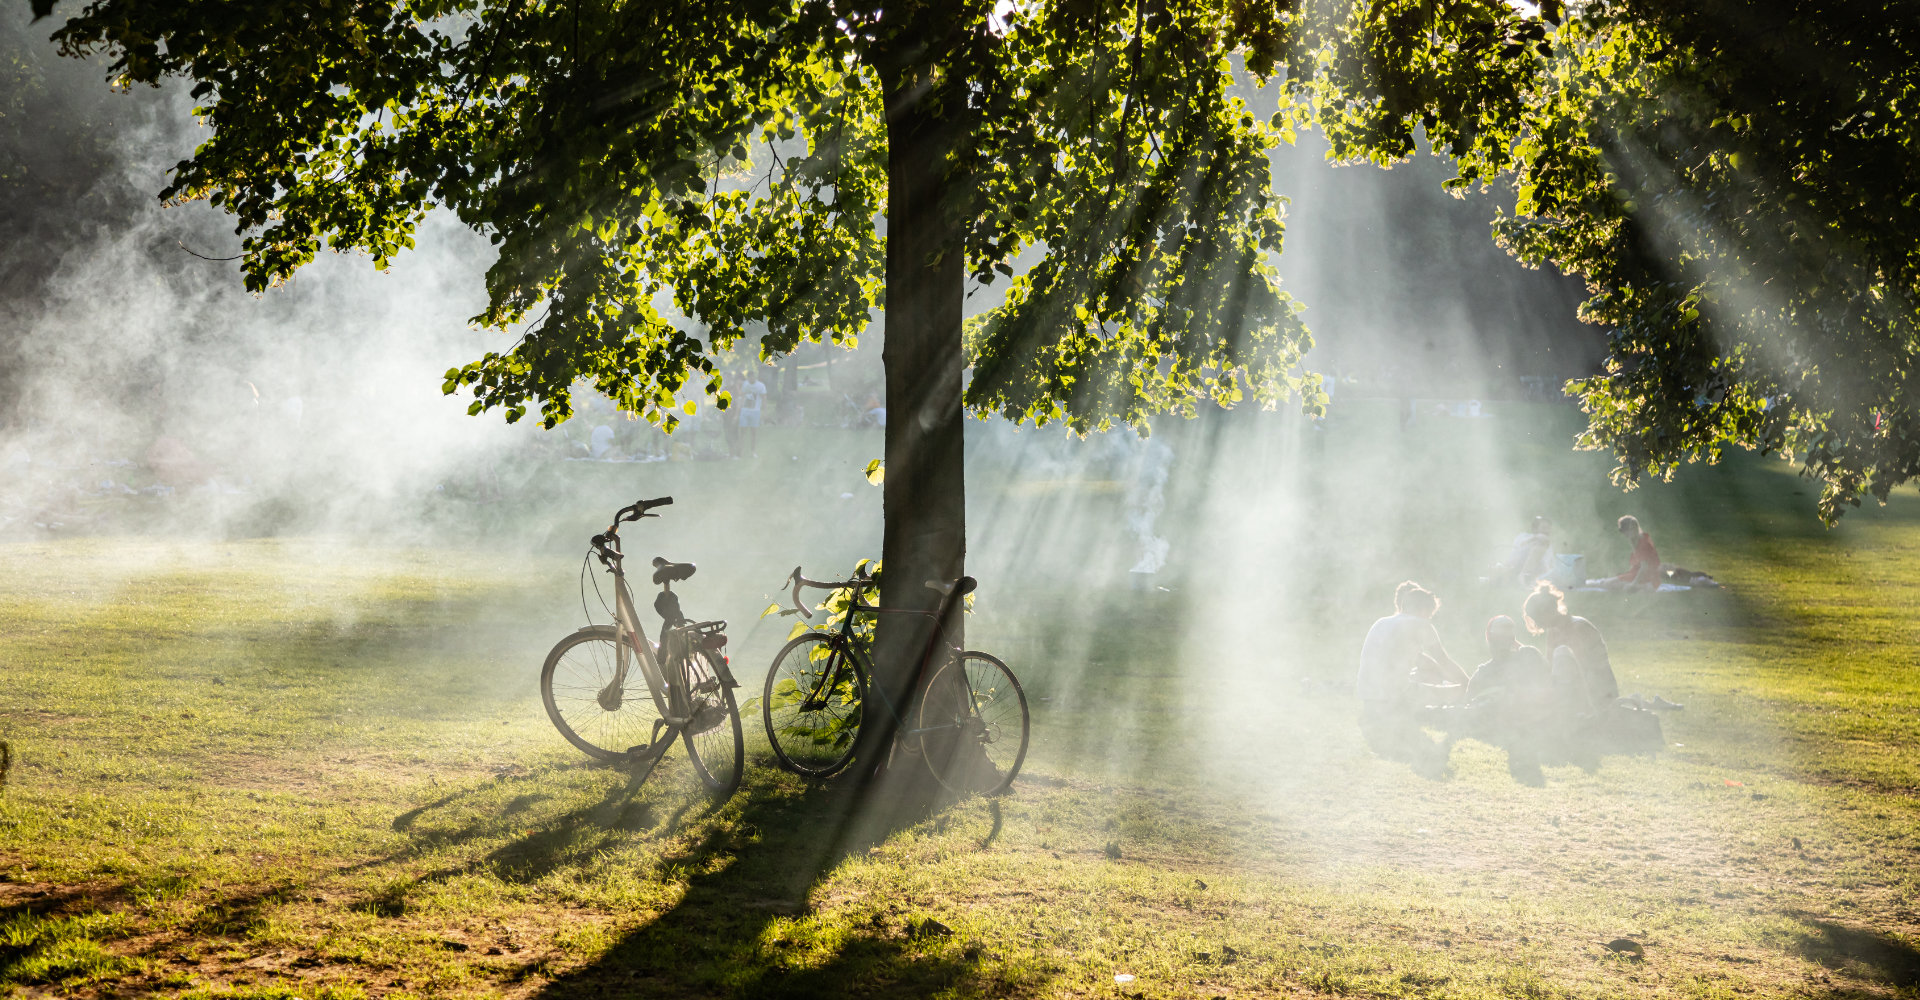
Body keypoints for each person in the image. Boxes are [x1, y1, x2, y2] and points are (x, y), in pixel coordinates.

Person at [1357, 581, 1468, 768]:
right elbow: (1443, 660)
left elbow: (1426, 663)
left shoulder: (1382, 622)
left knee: (1429, 678)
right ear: (1425, 611)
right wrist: (1467, 684)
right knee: (1455, 692)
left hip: (1368, 697)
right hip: (1393, 698)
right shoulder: (1420, 624)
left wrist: (1444, 677)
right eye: (1430, 614)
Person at [1522, 583, 1619, 711]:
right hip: (1574, 692)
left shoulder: (1579, 628)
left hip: (1599, 695)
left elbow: (1583, 671)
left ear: (1548, 611)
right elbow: (1551, 668)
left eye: (1537, 618)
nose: (1538, 623)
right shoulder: (1553, 631)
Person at [1599, 515, 1663, 590]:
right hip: (1641, 575)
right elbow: (1636, 564)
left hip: (1650, 580)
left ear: (1633, 528)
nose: (1624, 534)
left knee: (1613, 585)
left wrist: (1633, 584)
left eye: (1624, 530)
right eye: (1621, 531)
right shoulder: (1635, 540)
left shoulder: (1643, 543)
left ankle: (1640, 587)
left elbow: (1644, 567)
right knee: (1607, 583)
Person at [1491, 515, 1554, 584]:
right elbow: (1518, 549)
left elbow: (1548, 563)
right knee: (1540, 546)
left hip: (1537, 572)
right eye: (1544, 528)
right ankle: (1523, 576)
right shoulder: (1524, 536)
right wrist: (1534, 538)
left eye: (1549, 528)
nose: (1547, 531)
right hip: (1517, 568)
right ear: (1535, 529)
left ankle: (1526, 578)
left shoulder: (1549, 544)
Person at [733, 368, 767, 457]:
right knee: (742, 433)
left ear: (754, 377)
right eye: (749, 378)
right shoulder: (745, 384)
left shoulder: (760, 386)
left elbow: (764, 399)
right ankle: (739, 453)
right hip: (745, 411)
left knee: (753, 433)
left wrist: (764, 412)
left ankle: (753, 452)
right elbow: (741, 395)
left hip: (755, 412)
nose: (751, 379)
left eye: (752, 377)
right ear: (748, 378)